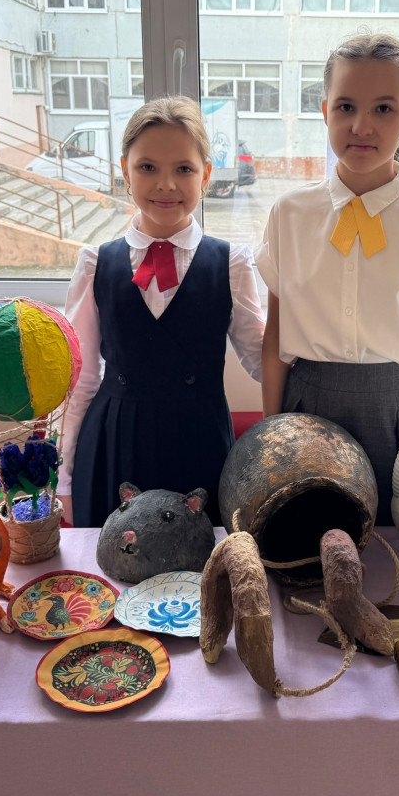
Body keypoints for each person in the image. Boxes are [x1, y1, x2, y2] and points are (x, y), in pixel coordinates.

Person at [257, 33, 399, 526]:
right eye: (346, 107)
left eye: (383, 108)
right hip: (307, 411)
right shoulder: (289, 214)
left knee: (395, 544)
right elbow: (275, 341)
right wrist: (271, 434)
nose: (361, 126)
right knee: (306, 542)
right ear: (325, 112)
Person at [58, 96, 264, 527]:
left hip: (199, 445)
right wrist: (64, 477)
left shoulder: (232, 263)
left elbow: (261, 360)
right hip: (114, 445)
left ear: (205, 175)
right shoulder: (95, 264)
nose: (166, 184)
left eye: (183, 169)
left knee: (201, 563)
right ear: (125, 171)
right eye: (148, 167)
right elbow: (81, 380)